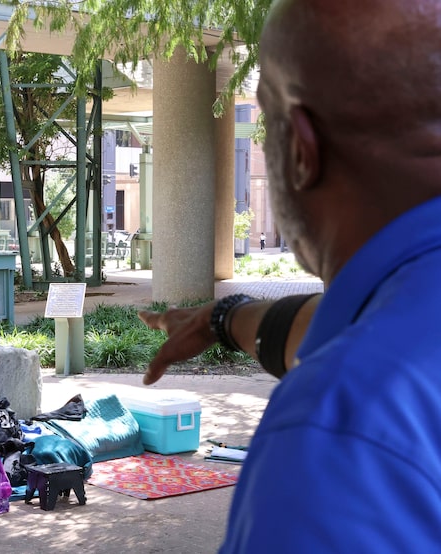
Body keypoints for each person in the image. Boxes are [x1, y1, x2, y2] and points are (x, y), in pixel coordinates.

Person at [139, 0, 441, 550]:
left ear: (302, 148)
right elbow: (350, 325)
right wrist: (227, 318)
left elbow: (368, 357)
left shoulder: (337, 431)